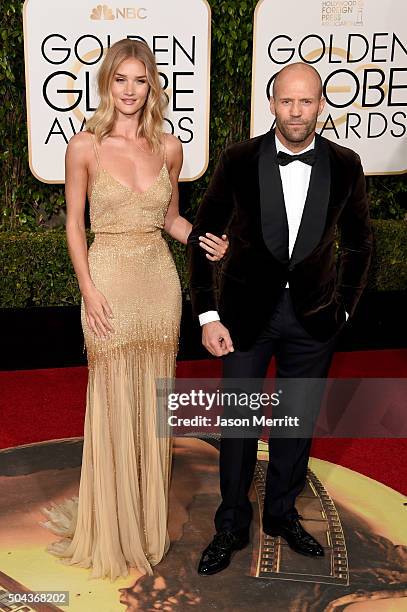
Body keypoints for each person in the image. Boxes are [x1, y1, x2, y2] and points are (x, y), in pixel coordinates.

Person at [41, 39, 228, 581]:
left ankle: (143, 524)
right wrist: (88, 288)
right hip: (108, 282)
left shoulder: (170, 148)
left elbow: (171, 218)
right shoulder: (84, 147)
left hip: (157, 285)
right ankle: (109, 523)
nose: (129, 89)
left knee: (151, 399)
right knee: (111, 396)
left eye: (139, 80)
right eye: (120, 79)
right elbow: (75, 225)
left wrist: (203, 241)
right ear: (107, 84)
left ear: (152, 86)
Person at [187, 62, 372, 575]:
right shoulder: (239, 159)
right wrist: (207, 314)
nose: (296, 111)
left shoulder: (344, 163)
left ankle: (282, 514)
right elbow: (203, 237)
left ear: (321, 106)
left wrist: (345, 309)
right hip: (245, 318)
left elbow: (361, 243)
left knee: (296, 425)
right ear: (271, 104)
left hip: (313, 321)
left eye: (306, 102)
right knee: (240, 424)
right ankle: (230, 525)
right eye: (287, 101)